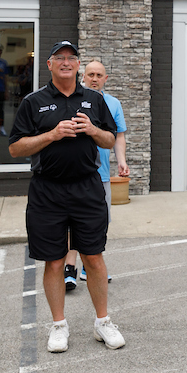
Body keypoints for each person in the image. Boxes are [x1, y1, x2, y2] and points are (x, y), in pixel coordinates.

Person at [8, 40, 124, 354]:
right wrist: (52, 135)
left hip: (87, 187)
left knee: (95, 259)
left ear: (78, 66)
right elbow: (16, 147)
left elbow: (110, 137)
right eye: (59, 57)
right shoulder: (34, 102)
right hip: (48, 190)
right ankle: (59, 326)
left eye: (71, 58)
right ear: (49, 64)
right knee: (55, 261)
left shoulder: (94, 100)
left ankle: (103, 322)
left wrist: (92, 130)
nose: (65, 62)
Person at [64, 60, 128, 290]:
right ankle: (70, 268)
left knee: (99, 223)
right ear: (83, 75)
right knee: (72, 222)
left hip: (101, 175)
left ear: (105, 78)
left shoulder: (113, 103)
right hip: (74, 174)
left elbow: (118, 136)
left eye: (99, 75)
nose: (94, 78)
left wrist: (121, 162)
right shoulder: (71, 99)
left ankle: (87, 266)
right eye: (90, 74)